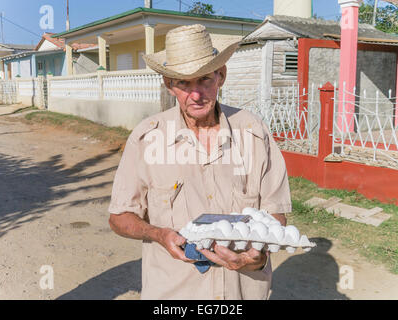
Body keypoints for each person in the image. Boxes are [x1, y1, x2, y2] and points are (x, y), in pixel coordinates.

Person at [108, 24, 292, 300]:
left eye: (205, 79)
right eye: (183, 83)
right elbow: (119, 217)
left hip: (243, 292)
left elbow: (275, 212)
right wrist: (158, 234)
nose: (196, 94)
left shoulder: (253, 131)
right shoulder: (147, 138)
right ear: (169, 85)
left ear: (221, 76)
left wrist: (256, 255)